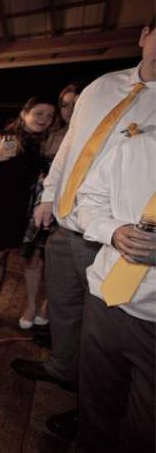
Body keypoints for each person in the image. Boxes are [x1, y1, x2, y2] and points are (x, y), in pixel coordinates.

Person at [11, 18, 155, 441]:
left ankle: (90, 412)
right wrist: (48, 197)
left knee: (108, 337)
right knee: (65, 310)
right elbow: (71, 147)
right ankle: (62, 368)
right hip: (68, 221)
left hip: (114, 243)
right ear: (144, 35)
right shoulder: (102, 87)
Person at [74, 131, 156, 452]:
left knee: (145, 428)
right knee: (95, 405)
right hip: (106, 300)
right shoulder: (132, 149)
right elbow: (89, 201)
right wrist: (113, 231)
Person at [0, 96, 55, 328]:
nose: (44, 119)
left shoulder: (41, 144)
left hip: (16, 209)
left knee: (1, 259)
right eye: (39, 113)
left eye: (49, 116)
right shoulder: (0, 136)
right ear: (24, 113)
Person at [18, 83, 84, 330]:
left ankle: (46, 306)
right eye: (65, 105)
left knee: (56, 260)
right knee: (33, 257)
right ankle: (31, 305)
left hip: (69, 205)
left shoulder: (90, 134)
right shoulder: (49, 134)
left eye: (76, 104)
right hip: (39, 203)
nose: (69, 110)